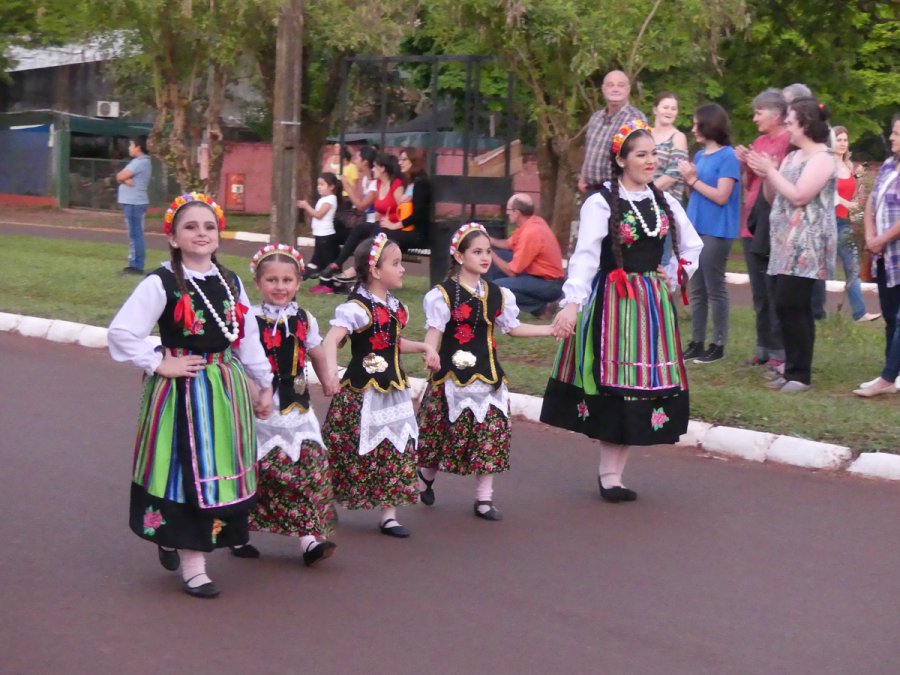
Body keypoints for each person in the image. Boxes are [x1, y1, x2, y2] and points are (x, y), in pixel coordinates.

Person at [108, 192, 274, 598]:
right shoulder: (161, 282)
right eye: (191, 227)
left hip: (225, 391)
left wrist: (264, 383)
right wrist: (159, 362)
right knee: (185, 470)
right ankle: (194, 567)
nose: (201, 233)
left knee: (219, 469)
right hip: (182, 392)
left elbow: (247, 337)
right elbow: (122, 332)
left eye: (209, 226)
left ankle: (178, 541)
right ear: (173, 237)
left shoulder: (231, 281)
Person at [541, 121, 703, 502]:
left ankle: (614, 475)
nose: (650, 161)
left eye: (653, 154)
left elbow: (692, 246)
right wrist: (572, 305)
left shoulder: (664, 202)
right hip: (613, 303)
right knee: (613, 386)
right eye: (641, 155)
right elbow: (584, 257)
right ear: (621, 160)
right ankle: (608, 475)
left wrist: (673, 275)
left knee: (639, 389)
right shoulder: (601, 202)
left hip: (651, 306)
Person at [416, 223, 554, 520]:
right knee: (443, 435)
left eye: (488, 251)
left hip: (488, 376)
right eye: (477, 252)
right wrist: (430, 353)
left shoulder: (498, 294)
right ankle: (426, 476)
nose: (485, 257)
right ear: (459, 256)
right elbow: (434, 331)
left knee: (490, 432)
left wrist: (549, 329)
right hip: (451, 378)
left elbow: (512, 327)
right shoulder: (443, 294)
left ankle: (484, 499)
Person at [320, 234, 440, 537]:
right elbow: (332, 339)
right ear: (375, 270)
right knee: (346, 447)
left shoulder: (396, 307)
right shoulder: (357, 308)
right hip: (361, 391)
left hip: (394, 390)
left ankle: (389, 515)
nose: (402, 269)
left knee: (396, 447)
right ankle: (325, 501)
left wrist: (425, 347)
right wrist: (331, 371)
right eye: (396, 263)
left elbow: (392, 342)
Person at [229, 244, 337, 565]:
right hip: (261, 409)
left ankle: (309, 540)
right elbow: (239, 360)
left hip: (298, 410)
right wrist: (252, 392)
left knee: (308, 468)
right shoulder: (249, 319)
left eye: (287, 280)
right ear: (258, 283)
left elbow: (316, 353)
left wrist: (327, 379)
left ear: (298, 282)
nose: (280, 287)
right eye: (272, 280)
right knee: (260, 472)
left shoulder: (305, 318)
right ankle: (238, 532)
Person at [747, 97, 837, 392]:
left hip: (807, 244)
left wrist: (771, 172)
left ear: (805, 124)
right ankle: (789, 368)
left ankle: (801, 374)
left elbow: (800, 196)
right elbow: (774, 198)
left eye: (790, 122)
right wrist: (767, 175)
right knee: (782, 305)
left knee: (794, 305)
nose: (786, 127)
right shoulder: (792, 157)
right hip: (783, 242)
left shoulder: (823, 158)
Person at [678, 103, 741, 364]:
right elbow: (696, 193)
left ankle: (718, 343)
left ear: (709, 125)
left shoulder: (728, 157)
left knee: (715, 288)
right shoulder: (701, 156)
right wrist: (689, 179)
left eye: (697, 124)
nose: (693, 129)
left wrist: (693, 180)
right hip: (696, 227)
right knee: (696, 288)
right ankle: (697, 341)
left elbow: (722, 196)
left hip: (717, 229)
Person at [734, 88, 791, 370]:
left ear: (776, 114)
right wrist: (746, 163)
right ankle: (763, 348)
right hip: (752, 222)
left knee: (774, 289)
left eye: (759, 113)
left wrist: (770, 169)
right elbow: (749, 184)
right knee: (758, 291)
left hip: (775, 223)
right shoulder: (759, 141)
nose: (755, 118)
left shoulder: (788, 141)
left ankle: (780, 350)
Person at [854, 113, 900, 397]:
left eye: (897, 134)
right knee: (891, 315)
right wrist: (872, 237)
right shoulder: (889, 165)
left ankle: (886, 379)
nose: (892, 138)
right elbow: (872, 200)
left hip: (893, 248)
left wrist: (881, 239)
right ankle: (892, 372)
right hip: (885, 256)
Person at [320, 153, 404, 286]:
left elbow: (404, 210)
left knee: (375, 234)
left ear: (383, 169)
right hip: (382, 225)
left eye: (375, 167)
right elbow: (374, 207)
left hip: (396, 228)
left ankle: (356, 269)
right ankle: (337, 263)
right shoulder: (378, 184)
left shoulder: (396, 184)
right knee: (360, 228)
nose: (373, 169)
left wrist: (393, 223)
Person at [487, 194, 566, 318]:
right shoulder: (533, 222)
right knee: (500, 256)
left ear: (517, 212)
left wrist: (488, 252)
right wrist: (488, 240)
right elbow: (509, 244)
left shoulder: (531, 233)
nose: (507, 213)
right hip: (538, 276)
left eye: (508, 210)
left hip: (549, 285)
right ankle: (501, 305)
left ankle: (541, 308)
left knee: (495, 287)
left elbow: (512, 272)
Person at [833, 126, 879, 322]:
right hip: (828, 222)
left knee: (852, 267)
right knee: (822, 269)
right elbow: (827, 192)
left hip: (844, 222)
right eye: (839, 140)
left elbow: (851, 192)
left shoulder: (848, 166)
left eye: (845, 140)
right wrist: (846, 203)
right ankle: (817, 311)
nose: (843, 143)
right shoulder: (827, 165)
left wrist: (859, 186)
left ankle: (860, 312)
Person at [579, 70, 648, 191]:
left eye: (620, 85)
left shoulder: (635, 119)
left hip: (618, 191)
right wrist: (582, 178)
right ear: (603, 89)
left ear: (628, 89)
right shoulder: (595, 118)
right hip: (591, 190)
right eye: (610, 85)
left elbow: (641, 158)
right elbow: (589, 151)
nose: (615, 89)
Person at [651, 91, 689, 265]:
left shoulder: (678, 137)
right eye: (665, 107)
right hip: (642, 203)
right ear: (655, 109)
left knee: (661, 259)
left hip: (665, 205)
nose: (669, 111)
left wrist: (645, 192)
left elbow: (673, 174)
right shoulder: (645, 134)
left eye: (673, 108)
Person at [116, 135, 152, 275]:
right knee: (134, 235)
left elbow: (120, 176)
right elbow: (121, 176)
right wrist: (125, 180)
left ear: (138, 147)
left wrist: (123, 179)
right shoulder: (139, 162)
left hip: (134, 203)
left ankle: (136, 265)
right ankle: (134, 263)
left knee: (135, 235)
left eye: (131, 145)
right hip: (133, 202)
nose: (129, 148)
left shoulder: (140, 162)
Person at [297, 172, 340, 281]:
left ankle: (331, 282)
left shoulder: (331, 199)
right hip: (319, 234)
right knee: (318, 258)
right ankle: (310, 271)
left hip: (326, 235)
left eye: (322, 184)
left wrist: (306, 206)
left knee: (327, 261)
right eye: (318, 184)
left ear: (331, 187)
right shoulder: (323, 199)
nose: (319, 187)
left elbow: (319, 215)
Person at [391, 147, 432, 249]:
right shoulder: (410, 182)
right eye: (399, 160)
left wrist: (395, 226)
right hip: (407, 229)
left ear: (414, 161)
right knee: (369, 229)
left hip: (417, 234)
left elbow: (418, 215)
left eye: (404, 159)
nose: (400, 163)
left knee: (380, 235)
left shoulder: (421, 182)